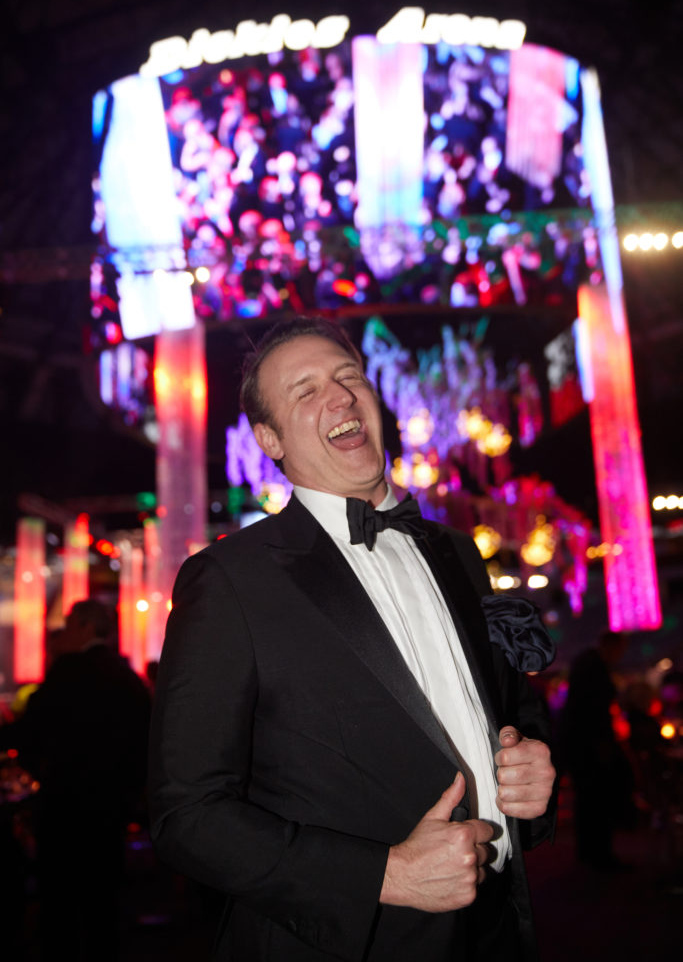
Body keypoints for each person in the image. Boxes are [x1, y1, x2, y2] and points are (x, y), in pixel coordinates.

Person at [148, 317, 556, 962]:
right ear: (269, 439)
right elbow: (188, 816)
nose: (338, 397)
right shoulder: (229, 579)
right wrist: (385, 875)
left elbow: (503, 712)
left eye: (348, 378)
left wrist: (530, 766)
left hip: (496, 929)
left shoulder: (454, 550)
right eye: (305, 392)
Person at [0, 599, 151, 960]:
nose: (60, 633)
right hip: (111, 809)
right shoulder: (127, 677)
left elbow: (31, 731)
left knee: (61, 909)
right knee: (103, 909)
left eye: (68, 624)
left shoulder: (69, 673)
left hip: (66, 808)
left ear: (84, 626)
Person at [560, 630, 634, 870]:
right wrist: (603, 745)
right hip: (590, 745)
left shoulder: (586, 662)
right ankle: (599, 854)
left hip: (581, 743)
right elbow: (594, 711)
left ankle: (590, 852)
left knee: (589, 801)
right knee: (598, 800)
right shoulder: (593, 666)